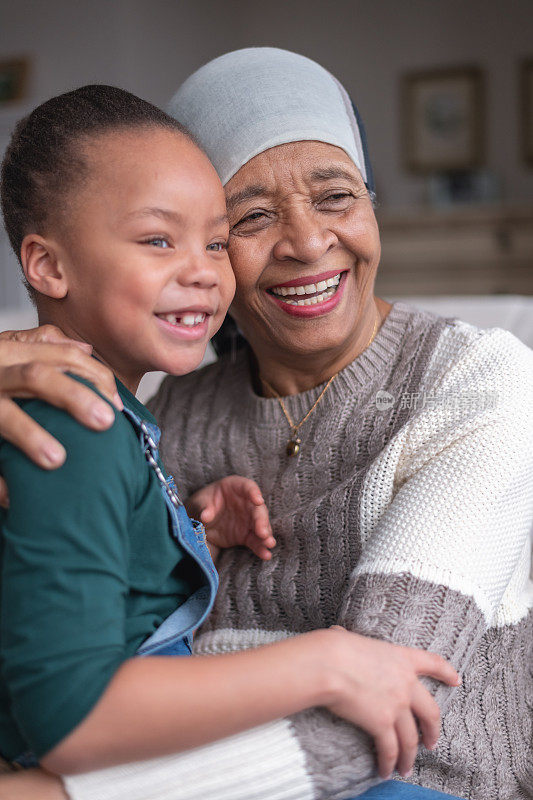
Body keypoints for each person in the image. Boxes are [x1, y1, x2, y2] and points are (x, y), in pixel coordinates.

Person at [1, 47, 531, 800]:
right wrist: (191, 535)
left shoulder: (480, 382)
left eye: (337, 196)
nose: (308, 242)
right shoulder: (147, 413)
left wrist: (44, 795)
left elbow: (379, 708)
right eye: (247, 220)